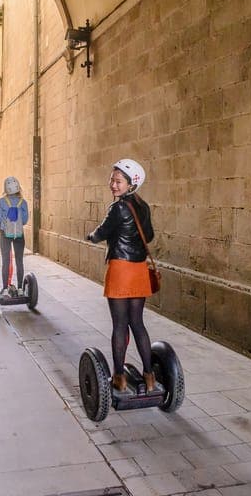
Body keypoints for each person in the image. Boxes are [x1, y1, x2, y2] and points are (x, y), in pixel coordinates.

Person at [86, 158, 156, 393]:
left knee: (119, 325)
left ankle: (119, 377)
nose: (113, 184)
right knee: (138, 323)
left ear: (130, 184)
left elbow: (101, 232)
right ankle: (149, 376)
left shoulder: (117, 208)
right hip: (139, 270)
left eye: (118, 181)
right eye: (112, 179)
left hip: (121, 269)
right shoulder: (143, 206)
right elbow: (150, 235)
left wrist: (91, 236)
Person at [0, 176, 29, 289]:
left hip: (5, 235)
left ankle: (4, 288)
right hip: (19, 235)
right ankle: (19, 289)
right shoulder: (23, 202)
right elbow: (24, 220)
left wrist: (0, 225)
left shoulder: (1, 201)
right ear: (18, 188)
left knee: (6, 261)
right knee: (19, 261)